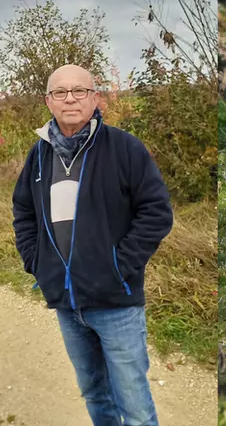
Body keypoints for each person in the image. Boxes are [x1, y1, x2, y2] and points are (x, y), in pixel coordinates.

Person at [11, 64, 173, 426]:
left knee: (133, 403)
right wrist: (36, 262)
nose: (70, 98)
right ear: (48, 101)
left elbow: (157, 212)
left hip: (117, 301)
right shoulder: (39, 155)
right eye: (60, 92)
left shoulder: (124, 148)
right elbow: (23, 209)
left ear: (95, 98)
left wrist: (117, 267)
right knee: (95, 395)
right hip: (67, 304)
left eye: (79, 91)